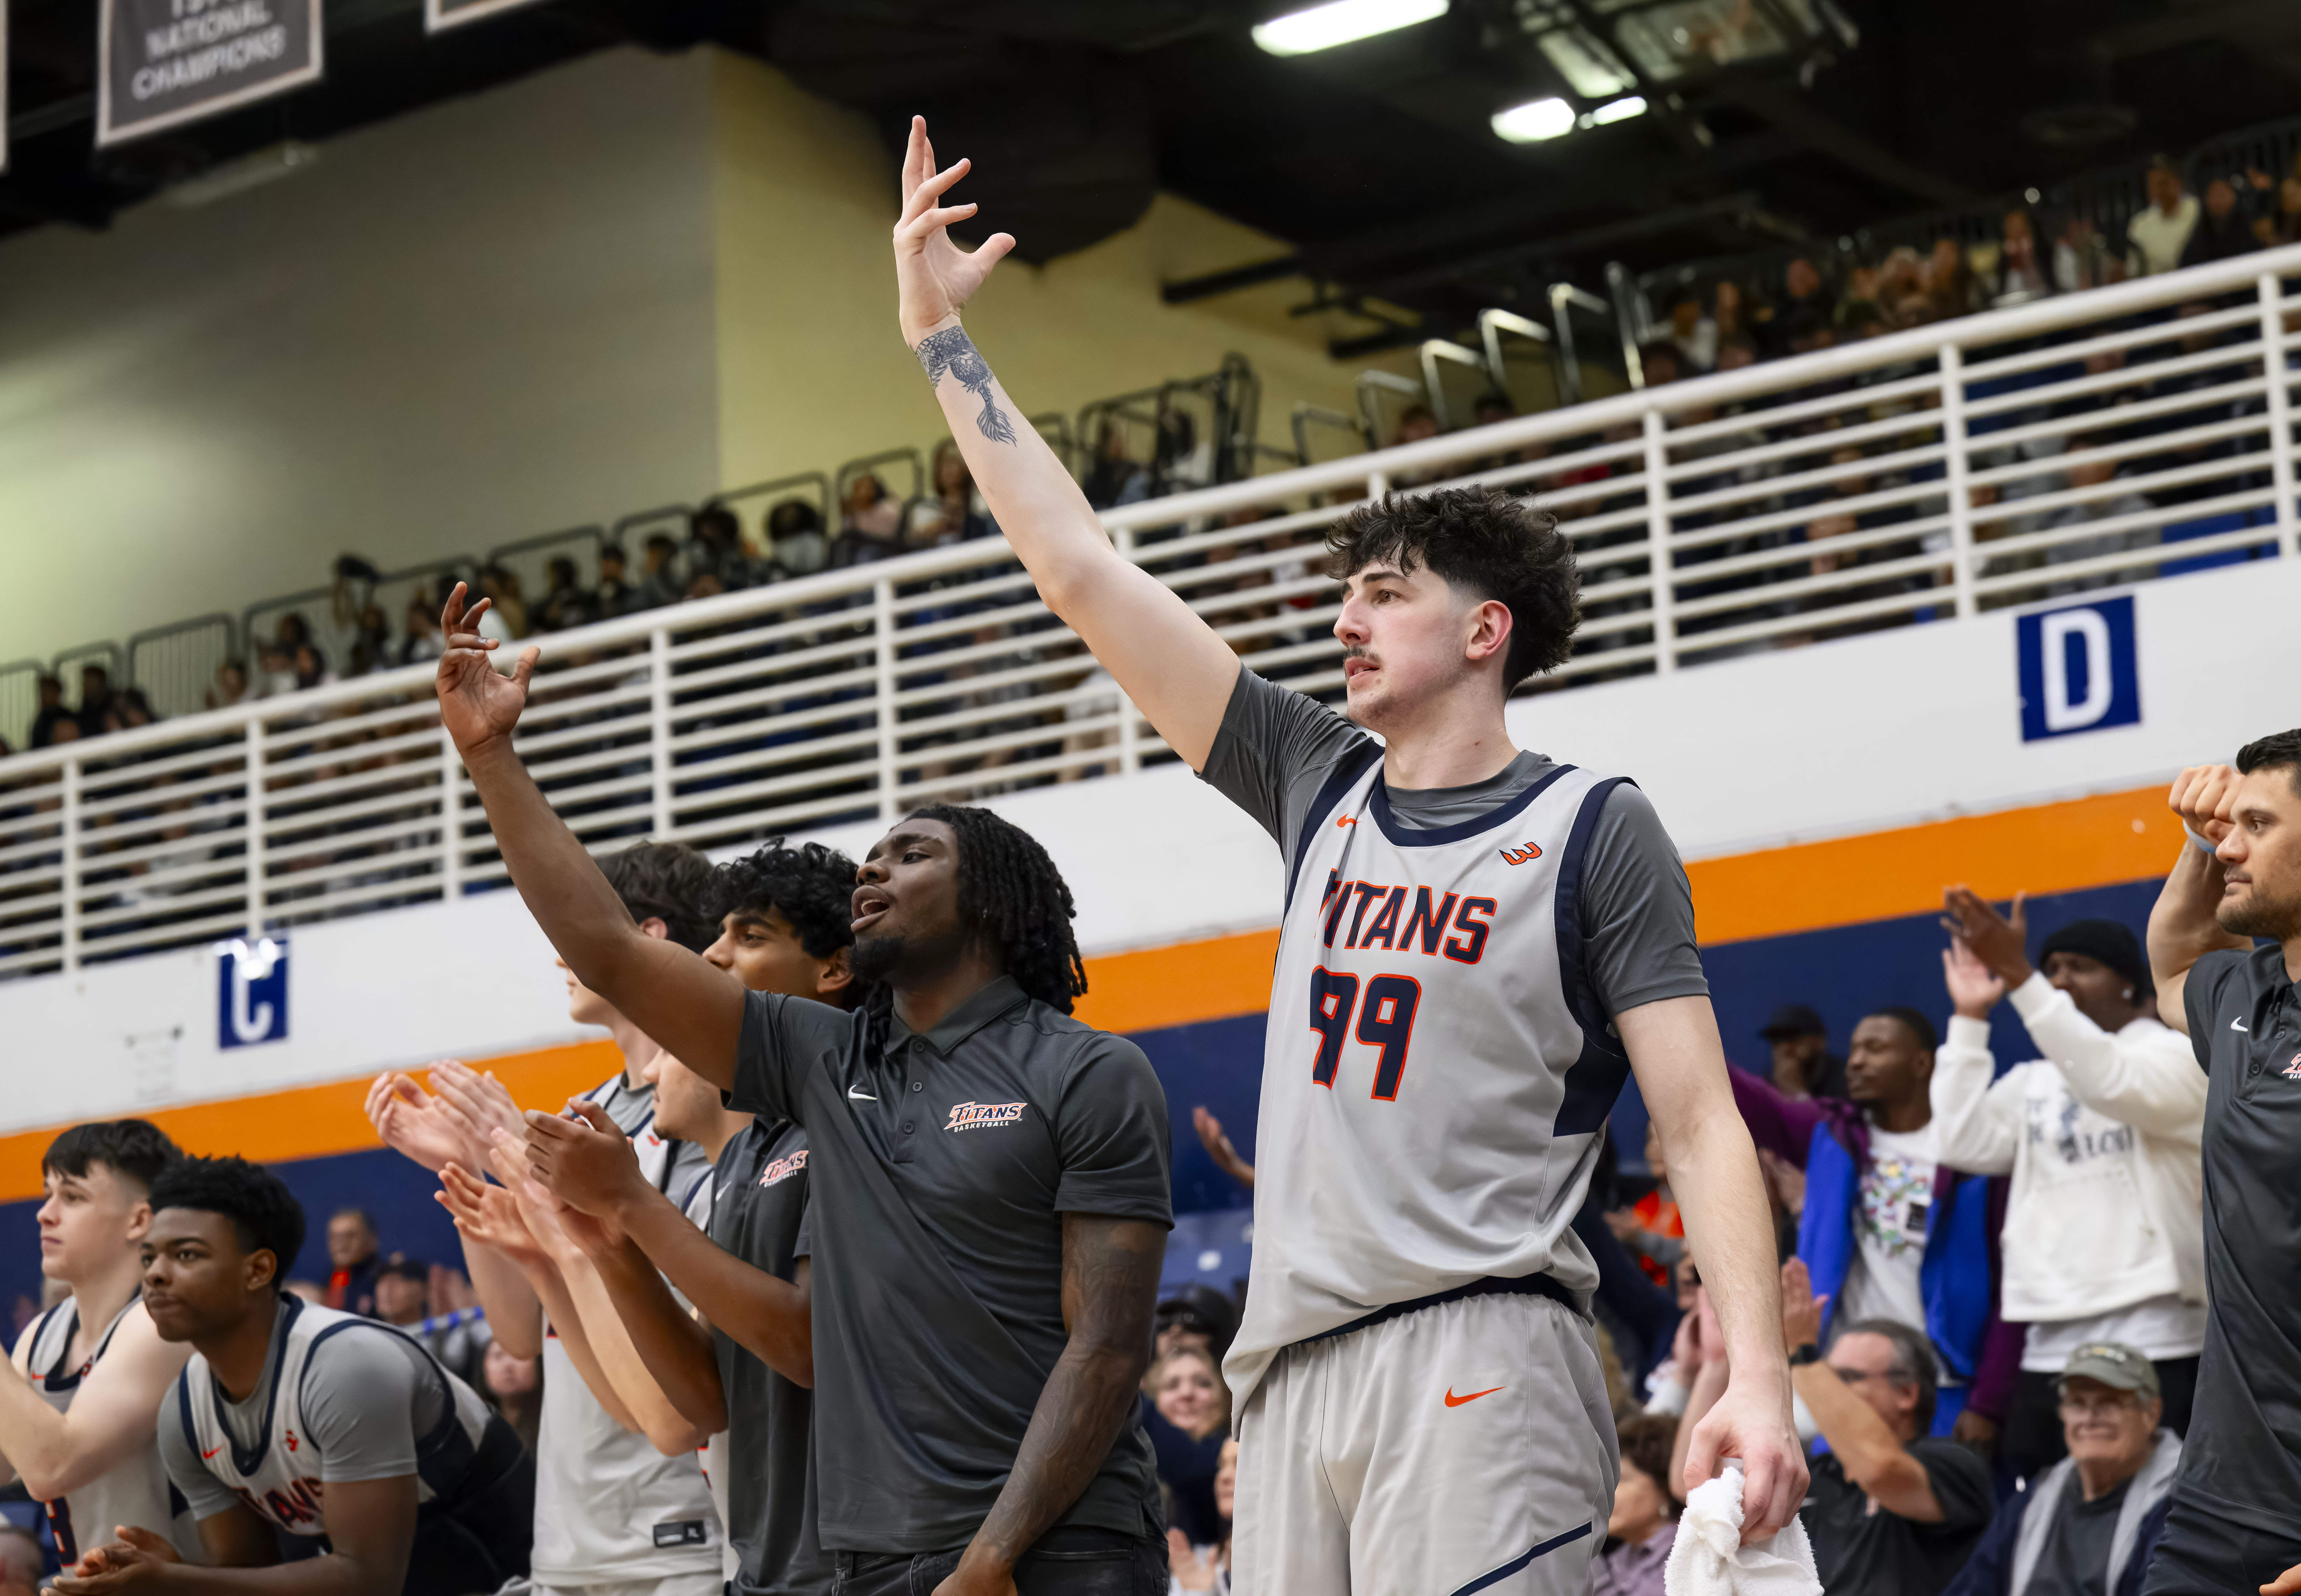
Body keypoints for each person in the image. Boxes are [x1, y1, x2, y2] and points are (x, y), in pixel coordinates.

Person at [890, 117, 1803, 1596]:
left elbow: (1696, 1122)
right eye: (1347, 595)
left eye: (1386, 592)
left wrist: (1755, 1374)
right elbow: (1079, 571)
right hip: (1288, 1367)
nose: (1345, 619)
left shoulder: (1590, 825)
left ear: (1483, 629)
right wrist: (937, 335)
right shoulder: (1315, 776)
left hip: (1478, 1340)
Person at [431, 578, 1176, 1594]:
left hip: (1058, 1542)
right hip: (864, 1557)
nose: (871, 873)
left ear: (994, 903)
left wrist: (994, 1554)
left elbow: (1104, 1345)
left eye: (911, 855)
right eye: (869, 859)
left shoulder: (1088, 1069)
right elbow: (606, 947)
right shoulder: (824, 1059)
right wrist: (491, 759)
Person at [366, 841, 726, 1596]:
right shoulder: (579, 1114)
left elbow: (675, 1340)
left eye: (571, 928)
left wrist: (513, 1164)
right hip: (571, 1521)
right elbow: (520, 1334)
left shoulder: (706, 1110)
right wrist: (464, 1170)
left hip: (672, 1521)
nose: (557, 954)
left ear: (648, 937)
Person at [517, 836, 861, 1596]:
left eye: (749, 936)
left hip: (861, 1565)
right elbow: (706, 1401)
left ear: (835, 968)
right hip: (764, 1564)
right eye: (718, 934)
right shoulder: (751, 1150)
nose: (713, 957)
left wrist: (631, 1203)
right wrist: (610, 1241)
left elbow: (802, 1347)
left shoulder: (858, 1116)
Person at [52, 1156, 531, 1595]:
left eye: (187, 1255)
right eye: (149, 1258)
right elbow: (249, 1577)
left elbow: (367, 1580)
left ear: (258, 1270)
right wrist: (173, 1574)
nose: (156, 1275)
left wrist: (178, 1581)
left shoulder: (346, 1365)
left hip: (521, 1577)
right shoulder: (183, 1414)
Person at [1932, 901, 2205, 1480]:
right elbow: (1960, 1141)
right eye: (2050, 967)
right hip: (2047, 1339)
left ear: (2128, 982)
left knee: (2162, 1514)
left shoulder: (2177, 1054)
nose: (2059, 980)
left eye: (2078, 966)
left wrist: (2023, 979)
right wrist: (1968, 1018)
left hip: (2157, 1332)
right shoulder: (2034, 1079)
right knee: (2056, 1510)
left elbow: (2108, 1079)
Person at [2137, 745, 2301, 1596]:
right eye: (2222, 830)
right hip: (2214, 1505)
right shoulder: (2245, 992)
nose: (2224, 847)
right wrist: (2194, 846)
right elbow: (2169, 962)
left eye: (2255, 825)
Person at [1728, 1008, 1996, 1433]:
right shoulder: (1832, 1134)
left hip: (1941, 1383)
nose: (1854, 1061)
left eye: (1875, 1049)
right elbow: (1748, 1099)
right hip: (1840, 1376)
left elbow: (2007, 1286)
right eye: (1853, 1049)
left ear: (1921, 1064)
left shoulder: (1977, 1153)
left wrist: (1986, 1403)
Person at [0, 1122, 202, 1568]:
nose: (45, 1213)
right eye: (47, 1193)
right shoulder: (41, 1336)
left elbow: (52, 1469)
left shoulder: (160, 1326)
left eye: (72, 1197)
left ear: (140, 1220)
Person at [1764, 1259, 1992, 1596]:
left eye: (1846, 1378)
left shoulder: (1955, 1465)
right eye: (1829, 1377)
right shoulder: (1818, 1474)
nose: (1825, 1390)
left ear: (1907, 1393)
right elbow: (1689, 1483)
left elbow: (1880, 1468)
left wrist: (1802, 1356)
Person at [1945, 1344, 2180, 1596]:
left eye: (2109, 1403)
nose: (2089, 1419)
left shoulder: (2181, 1504)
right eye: (2078, 1404)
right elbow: (1974, 1585)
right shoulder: (2035, 1496)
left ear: (2151, 1413)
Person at [1141, 1346, 1229, 1549]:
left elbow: (1191, 1468)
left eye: (1203, 1384)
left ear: (1223, 1395)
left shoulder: (1238, 1453)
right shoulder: (1140, 1471)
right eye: (1172, 1386)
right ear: (1154, 1398)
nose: (1187, 1394)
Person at [1583, 1413, 1680, 1596]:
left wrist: (1582, 1552)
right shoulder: (1626, 1554)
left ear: (1663, 1487)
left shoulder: (1683, 1554)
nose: (1605, 1495)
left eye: (1622, 1481)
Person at [1759, 1004, 1849, 1099]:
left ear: (1820, 1042)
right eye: (1776, 1040)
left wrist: (1797, 1094)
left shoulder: (1848, 1078)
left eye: (1792, 1037)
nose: (1784, 1048)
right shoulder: (1766, 1085)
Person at [2127, 160, 2200, 277]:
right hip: (2157, 289)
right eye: (2154, 185)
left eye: (2164, 183)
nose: (2160, 190)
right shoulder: (2140, 223)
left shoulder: (2197, 210)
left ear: (2178, 182)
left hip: (2195, 281)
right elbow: (2133, 271)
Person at [322, 1208, 382, 1316]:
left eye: (350, 1236)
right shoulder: (327, 1280)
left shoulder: (382, 1280)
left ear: (372, 1240)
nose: (341, 1244)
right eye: (334, 1237)